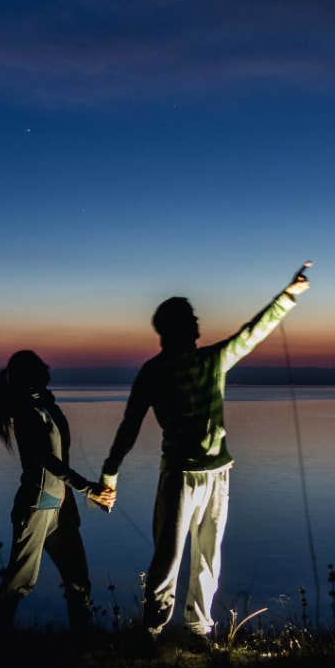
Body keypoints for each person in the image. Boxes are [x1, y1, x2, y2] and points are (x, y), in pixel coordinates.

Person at [100, 265, 311, 644]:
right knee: (168, 556)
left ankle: (198, 627)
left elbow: (252, 334)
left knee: (208, 557)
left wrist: (288, 297)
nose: (199, 324)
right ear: (175, 327)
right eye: (192, 319)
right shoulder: (155, 372)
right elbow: (129, 425)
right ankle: (152, 628)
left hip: (218, 473)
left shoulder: (212, 360)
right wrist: (110, 475)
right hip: (179, 475)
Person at [0, 350, 116, 633]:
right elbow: (45, 459)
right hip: (36, 507)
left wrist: (78, 497)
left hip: (61, 508)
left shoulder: (46, 406)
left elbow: (60, 457)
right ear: (31, 374)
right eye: (40, 364)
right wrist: (89, 489)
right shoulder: (26, 412)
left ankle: (82, 642)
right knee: (19, 582)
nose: (48, 366)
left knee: (78, 579)